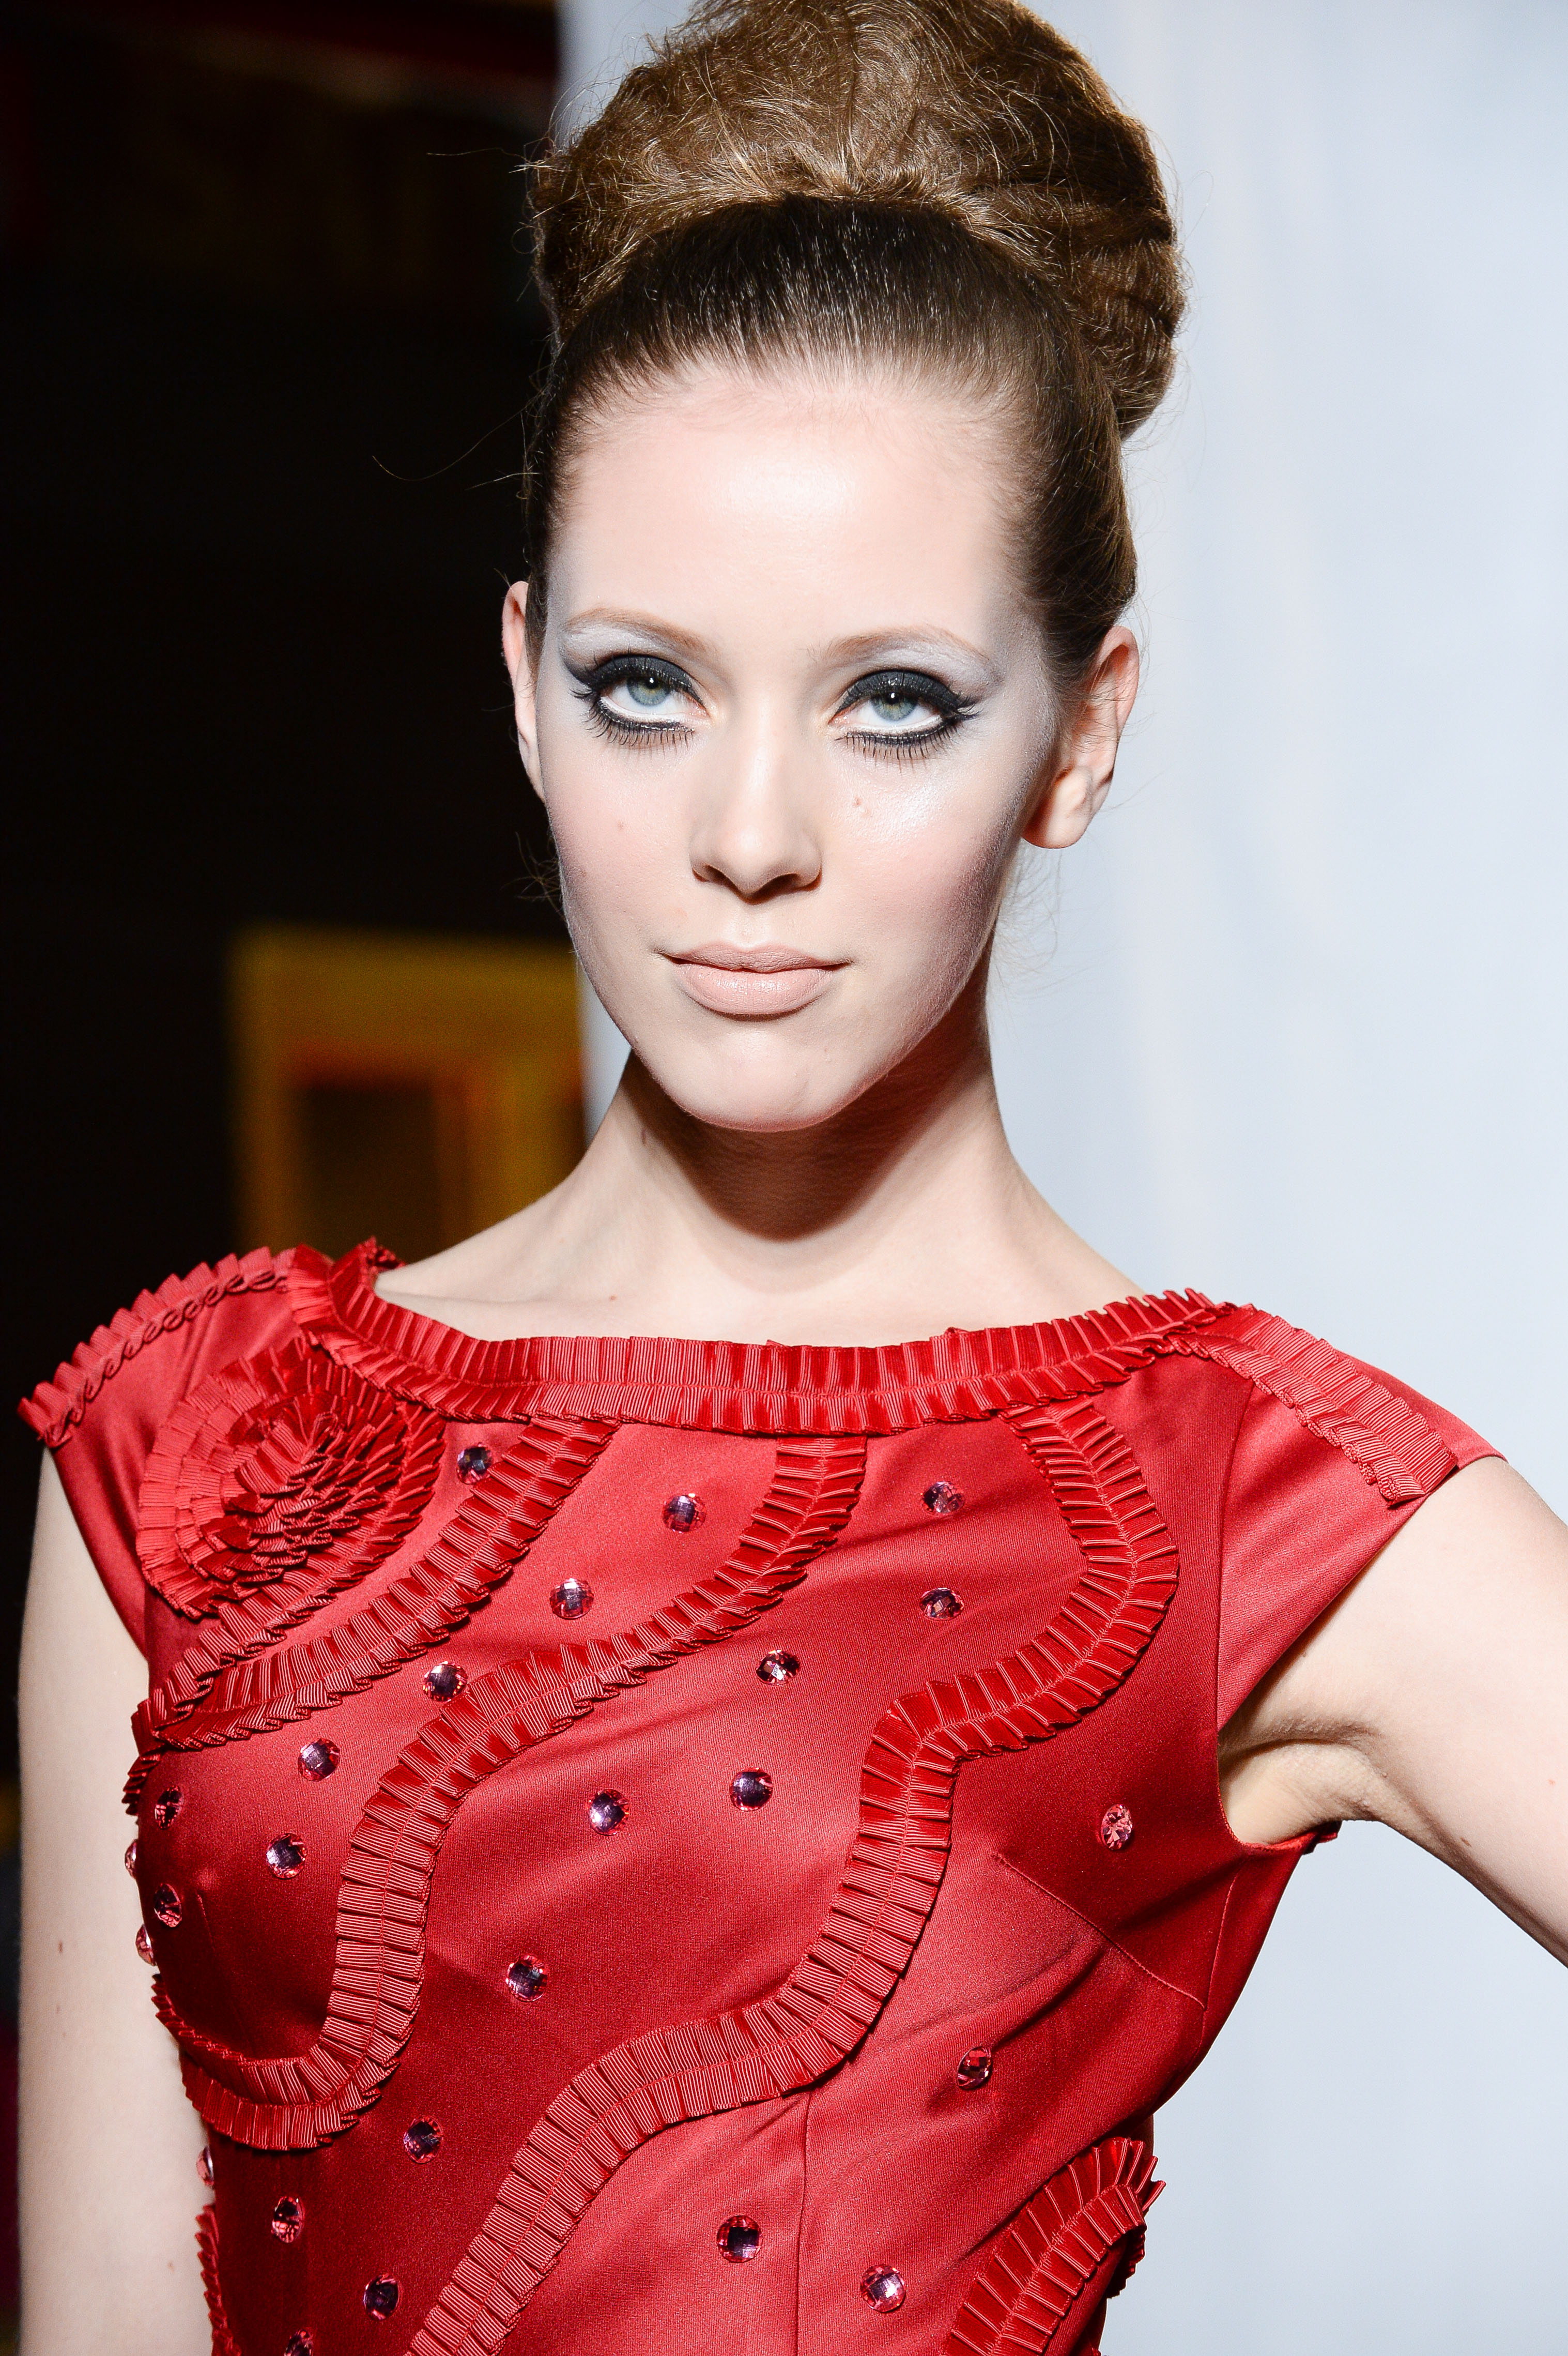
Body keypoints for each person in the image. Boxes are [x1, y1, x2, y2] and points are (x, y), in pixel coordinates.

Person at [18, 2, 1567, 2349]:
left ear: (1082, 736)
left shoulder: (1239, 1497)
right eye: (647, 685)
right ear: (524, 683)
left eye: (893, 702)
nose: (750, 837)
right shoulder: (194, 1445)